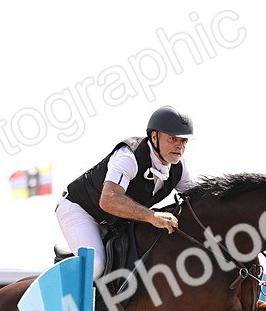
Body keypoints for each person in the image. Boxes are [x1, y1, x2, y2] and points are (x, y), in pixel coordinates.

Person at [57, 105, 198, 278]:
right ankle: (60, 303)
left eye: (183, 141)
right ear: (154, 137)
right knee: (95, 266)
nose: (179, 146)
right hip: (79, 209)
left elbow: (197, 199)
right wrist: (152, 216)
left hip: (114, 222)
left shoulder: (179, 168)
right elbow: (109, 200)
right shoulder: (129, 156)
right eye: (172, 139)